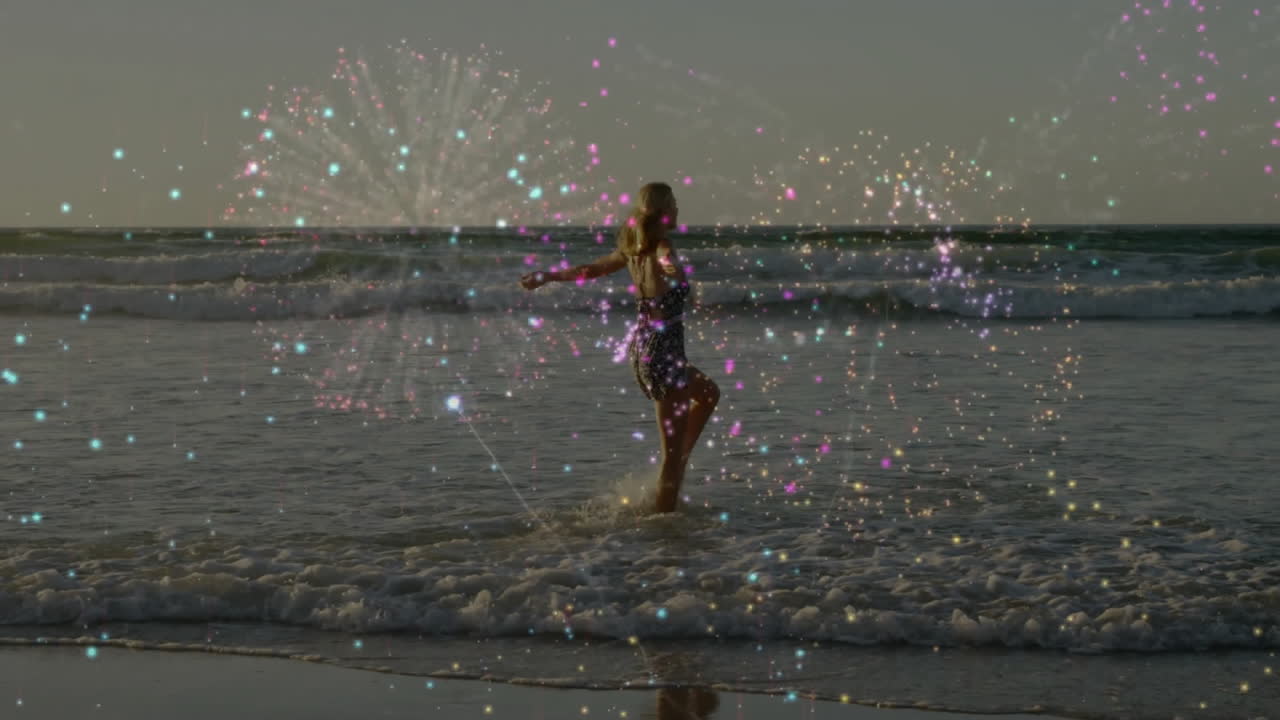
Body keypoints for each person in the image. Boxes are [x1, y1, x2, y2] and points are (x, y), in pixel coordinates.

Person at [519, 182, 720, 513]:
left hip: (645, 350)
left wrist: (549, 276)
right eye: (674, 203)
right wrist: (675, 270)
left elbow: (589, 270)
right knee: (670, 459)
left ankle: (676, 467)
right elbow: (666, 260)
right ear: (666, 212)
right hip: (663, 354)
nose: (678, 208)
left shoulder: (632, 251)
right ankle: (665, 524)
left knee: (709, 394)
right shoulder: (661, 247)